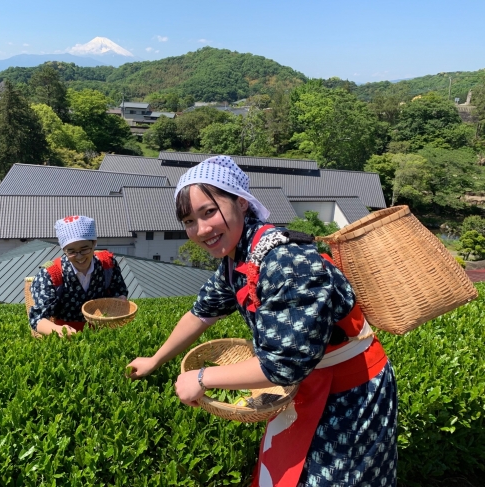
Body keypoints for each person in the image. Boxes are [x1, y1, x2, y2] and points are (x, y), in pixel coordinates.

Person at [126, 156, 397, 486]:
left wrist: (202, 377)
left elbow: (282, 366)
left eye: (209, 212)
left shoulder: (285, 262)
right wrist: (154, 360)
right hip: (308, 379)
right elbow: (201, 313)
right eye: (189, 221)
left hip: (351, 387)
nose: (201, 229)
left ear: (241, 202)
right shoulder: (237, 256)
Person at [29, 215, 128, 337]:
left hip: (104, 333)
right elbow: (37, 319)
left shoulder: (108, 264)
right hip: (65, 337)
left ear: (94, 243)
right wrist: (58, 330)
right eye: (71, 251)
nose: (79, 256)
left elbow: (119, 292)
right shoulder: (50, 274)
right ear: (64, 249)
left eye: (84, 249)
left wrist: (119, 302)